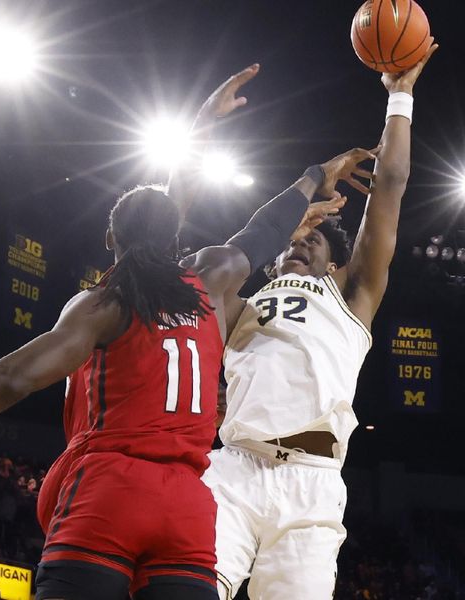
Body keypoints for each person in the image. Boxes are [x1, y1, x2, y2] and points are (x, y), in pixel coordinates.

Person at [0, 65, 371, 600]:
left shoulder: (104, 304)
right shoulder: (214, 277)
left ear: (109, 241)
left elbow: (14, 378)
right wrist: (314, 176)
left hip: (110, 492)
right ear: (174, 237)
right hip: (190, 509)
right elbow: (263, 226)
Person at [200, 44, 438, 599]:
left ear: (336, 263)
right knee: (187, 590)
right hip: (233, 469)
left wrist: (399, 98)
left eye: (313, 238)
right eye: (290, 240)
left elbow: (392, 186)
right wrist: (289, 210)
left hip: (311, 482)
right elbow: (216, 262)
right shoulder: (243, 302)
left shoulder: (352, 297)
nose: (298, 243)